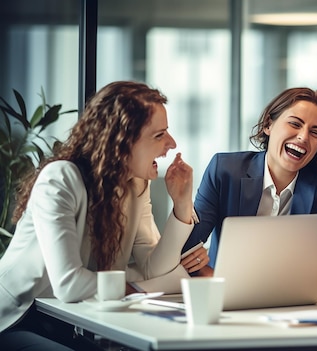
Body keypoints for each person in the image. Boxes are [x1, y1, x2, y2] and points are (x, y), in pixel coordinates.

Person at [0, 81, 206, 350]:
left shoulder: (135, 185)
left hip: (69, 321)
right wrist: (140, 287)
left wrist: (181, 204)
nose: (172, 143)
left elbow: (153, 267)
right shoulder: (60, 179)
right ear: (121, 141)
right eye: (159, 135)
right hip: (17, 319)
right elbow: (69, 284)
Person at [182, 87, 317, 292]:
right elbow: (186, 249)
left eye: (315, 133)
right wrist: (214, 276)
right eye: (295, 124)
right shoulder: (225, 171)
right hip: (228, 298)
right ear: (269, 124)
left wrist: (299, 281)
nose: (303, 137)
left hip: (290, 306)